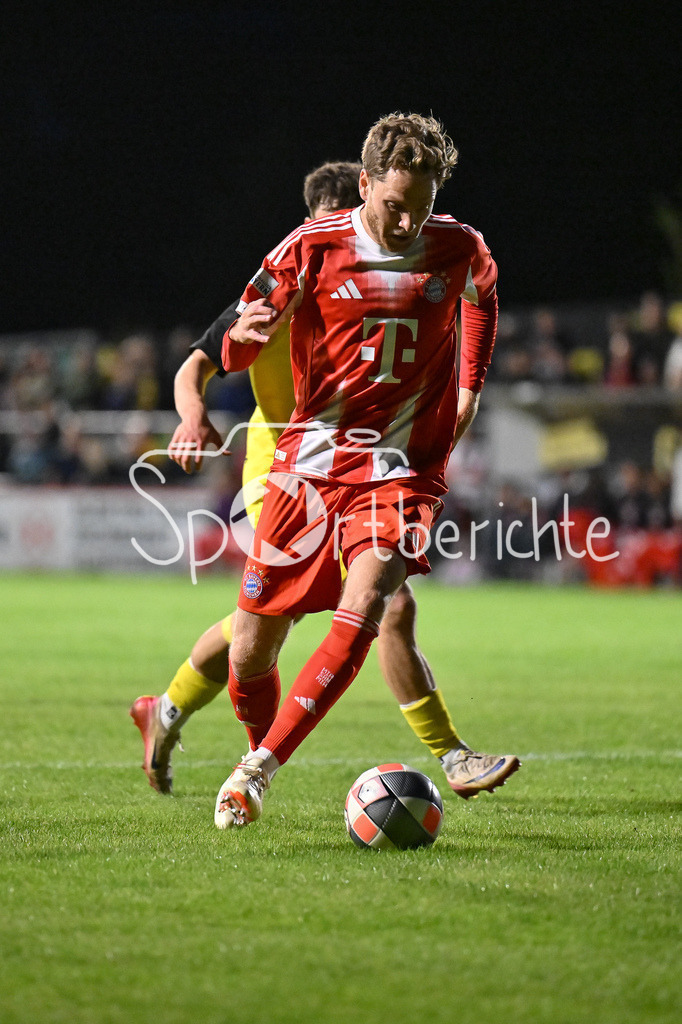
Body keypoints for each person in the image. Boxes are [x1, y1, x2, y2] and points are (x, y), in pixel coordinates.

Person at [131, 159, 518, 805]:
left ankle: (448, 754)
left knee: (385, 603)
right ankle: (175, 714)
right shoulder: (293, 274)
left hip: (367, 467)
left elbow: (474, 298)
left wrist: (462, 390)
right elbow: (195, 366)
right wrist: (193, 415)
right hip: (281, 466)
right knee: (263, 629)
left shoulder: (395, 268)